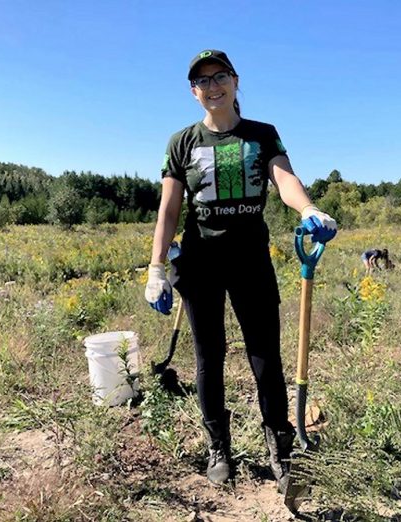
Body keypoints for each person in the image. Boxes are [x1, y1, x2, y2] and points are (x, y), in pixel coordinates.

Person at [144, 50, 337, 493]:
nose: (212, 86)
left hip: (251, 259)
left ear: (235, 81)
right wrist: (157, 266)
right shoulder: (182, 142)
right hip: (200, 262)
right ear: (193, 93)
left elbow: (283, 179)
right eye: (202, 81)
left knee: (265, 354)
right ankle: (219, 446)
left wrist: (308, 207)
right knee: (208, 355)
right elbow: (169, 208)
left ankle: (280, 447)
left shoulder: (262, 134)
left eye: (220, 77)